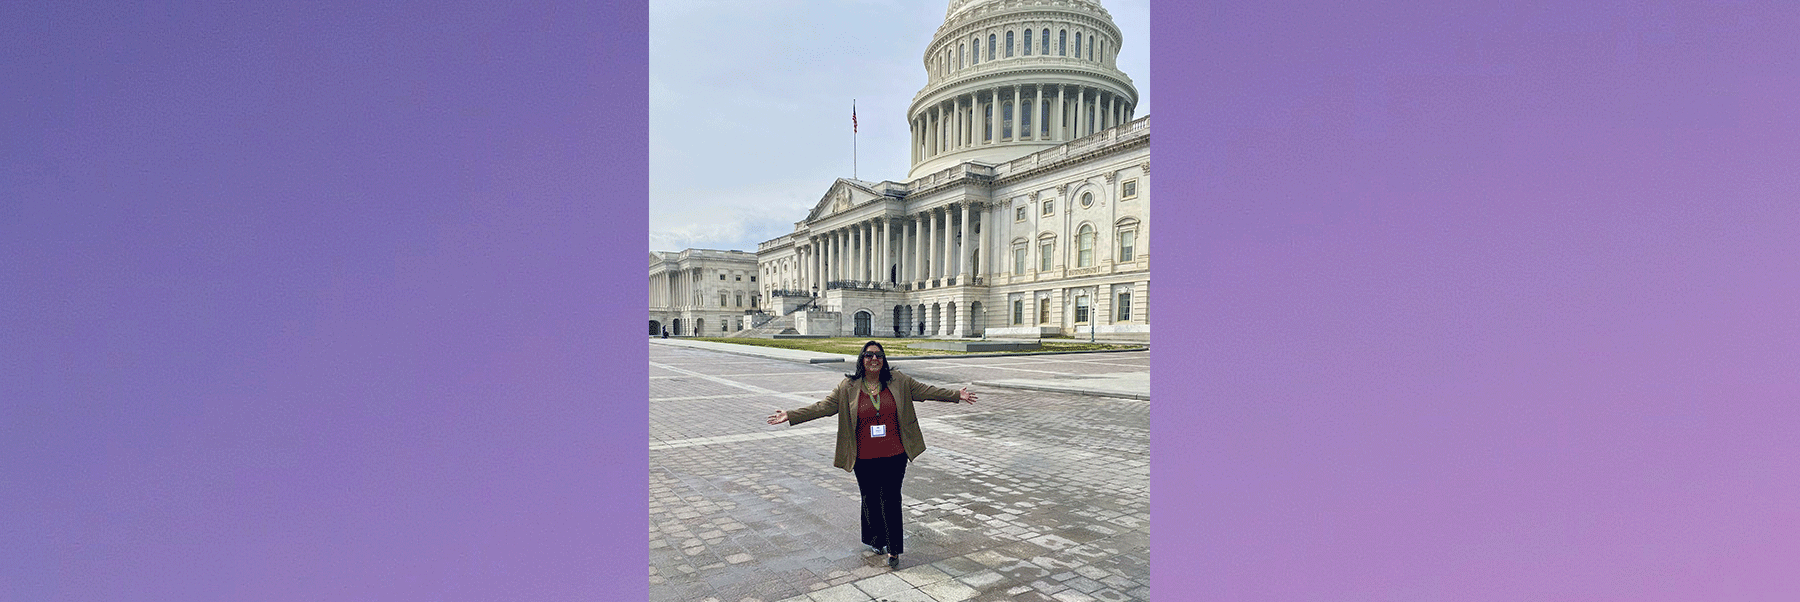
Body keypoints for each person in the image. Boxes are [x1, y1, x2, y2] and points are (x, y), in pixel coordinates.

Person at [766, 340, 977, 569]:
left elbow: (928, 391)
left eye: (878, 355)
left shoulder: (899, 381)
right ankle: (876, 539)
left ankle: (894, 548)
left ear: (884, 360)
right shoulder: (848, 386)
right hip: (863, 456)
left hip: (895, 453)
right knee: (870, 499)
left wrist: (956, 395)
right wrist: (792, 415)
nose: (874, 359)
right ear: (862, 360)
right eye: (869, 355)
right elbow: (823, 407)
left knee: (891, 498)